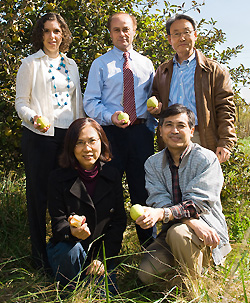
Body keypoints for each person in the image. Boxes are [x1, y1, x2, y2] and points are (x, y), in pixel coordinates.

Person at [15, 13, 84, 269]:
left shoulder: (72, 65)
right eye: (47, 31)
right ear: (40, 34)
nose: (52, 36)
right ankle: (38, 257)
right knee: (38, 196)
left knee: (67, 195)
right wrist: (34, 118)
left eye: (57, 31)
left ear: (63, 34)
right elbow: (21, 102)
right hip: (39, 137)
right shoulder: (31, 64)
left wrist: (82, 130)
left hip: (68, 138)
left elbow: (77, 104)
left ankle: (63, 251)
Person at [136, 104, 231, 287]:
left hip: (206, 230)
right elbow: (158, 199)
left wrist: (166, 215)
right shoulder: (153, 164)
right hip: (173, 230)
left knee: (178, 233)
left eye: (181, 125)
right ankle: (192, 274)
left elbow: (199, 204)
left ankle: (196, 289)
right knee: (146, 274)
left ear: (191, 130)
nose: (174, 131)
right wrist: (189, 221)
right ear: (161, 130)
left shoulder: (206, 159)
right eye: (168, 125)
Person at [83, 12, 156, 246]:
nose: (122, 34)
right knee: (107, 192)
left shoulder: (146, 64)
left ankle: (150, 251)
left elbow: (152, 100)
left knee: (143, 191)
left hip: (141, 134)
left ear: (134, 30)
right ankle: (103, 251)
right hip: (110, 134)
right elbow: (90, 102)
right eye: (116, 30)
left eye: (126, 28)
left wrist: (153, 126)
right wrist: (110, 116)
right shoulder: (101, 64)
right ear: (110, 33)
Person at [46, 118, 127, 292]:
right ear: (70, 147)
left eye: (92, 141)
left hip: (100, 253)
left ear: (102, 142)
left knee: (103, 292)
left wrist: (101, 259)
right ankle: (70, 289)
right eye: (79, 143)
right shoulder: (58, 178)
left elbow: (119, 222)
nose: (87, 148)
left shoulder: (112, 175)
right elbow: (58, 222)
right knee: (70, 254)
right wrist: (72, 232)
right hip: (68, 249)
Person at [148, 14, 236, 163]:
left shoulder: (214, 70)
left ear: (195, 35)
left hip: (201, 136)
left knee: (202, 184)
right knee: (172, 184)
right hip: (171, 135)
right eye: (176, 34)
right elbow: (156, 95)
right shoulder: (162, 71)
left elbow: (225, 108)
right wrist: (156, 108)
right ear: (170, 39)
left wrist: (226, 141)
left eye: (186, 32)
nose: (182, 38)